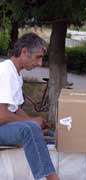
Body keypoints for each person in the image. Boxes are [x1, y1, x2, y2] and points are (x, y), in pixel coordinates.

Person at [0, 33, 59, 180]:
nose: (39, 63)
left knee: (49, 134)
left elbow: (16, 109)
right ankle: (52, 178)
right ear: (24, 52)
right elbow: (1, 115)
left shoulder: (15, 73)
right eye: (38, 57)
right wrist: (32, 123)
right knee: (30, 128)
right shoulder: (5, 72)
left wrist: (34, 122)